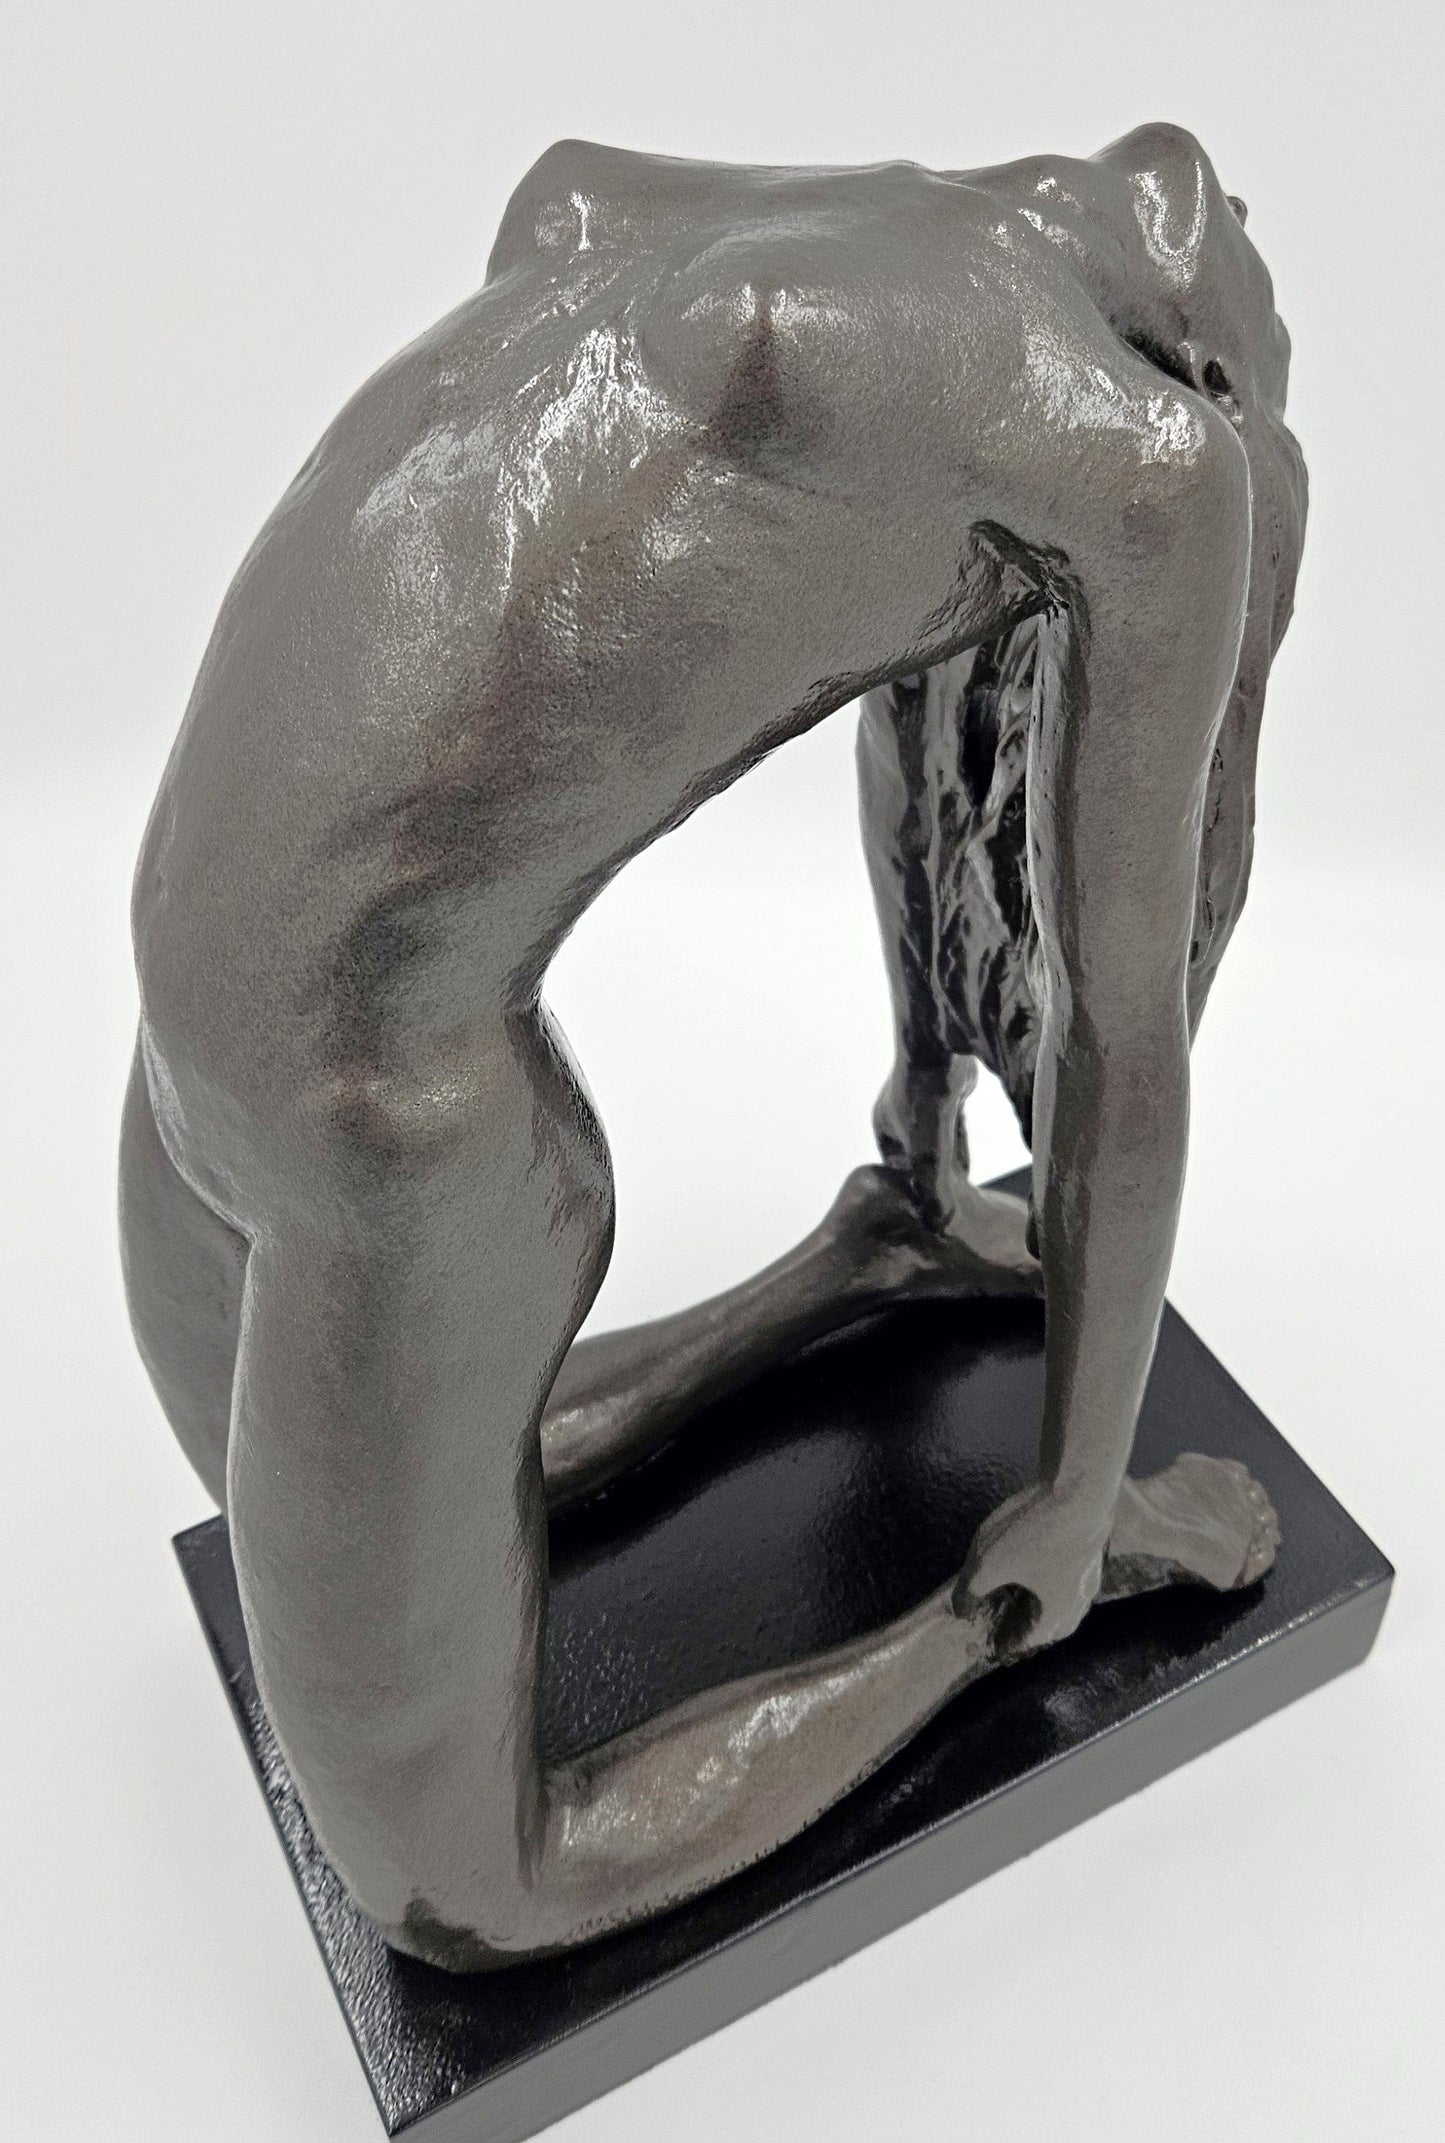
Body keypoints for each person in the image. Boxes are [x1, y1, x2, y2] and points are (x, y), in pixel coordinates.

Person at [120, 124, 1307, 1967]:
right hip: (288, 1100)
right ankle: (871, 1262)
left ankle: (991, 1615)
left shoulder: (722, 231)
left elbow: (1076, 975)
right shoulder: (1142, 457)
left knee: (457, 1894)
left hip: (327, 1104)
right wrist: (1072, 1473)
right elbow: (1118, 1036)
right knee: (444, 1843)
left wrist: (1075, 1503)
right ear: (1210, 362)